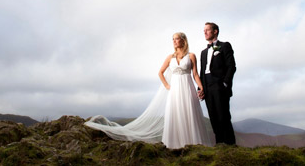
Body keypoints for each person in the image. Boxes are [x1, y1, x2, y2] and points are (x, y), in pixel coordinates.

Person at [84, 32, 215, 149]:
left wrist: (201, 87)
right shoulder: (170, 57)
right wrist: (167, 86)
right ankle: (176, 145)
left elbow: (195, 74)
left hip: (187, 87)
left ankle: (193, 144)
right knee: (176, 113)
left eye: (176, 39)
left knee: (189, 113)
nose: (174, 41)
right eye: (173, 39)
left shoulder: (191, 56)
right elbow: (160, 73)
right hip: (175, 89)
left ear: (183, 40)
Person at [198, 22, 237, 145]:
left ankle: (230, 145)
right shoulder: (203, 53)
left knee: (223, 116)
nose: (204, 32)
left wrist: (225, 84)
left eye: (207, 30)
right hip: (207, 88)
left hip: (220, 86)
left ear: (215, 31)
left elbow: (231, 67)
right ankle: (219, 145)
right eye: (204, 30)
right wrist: (200, 89)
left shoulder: (225, 46)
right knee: (213, 118)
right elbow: (202, 72)